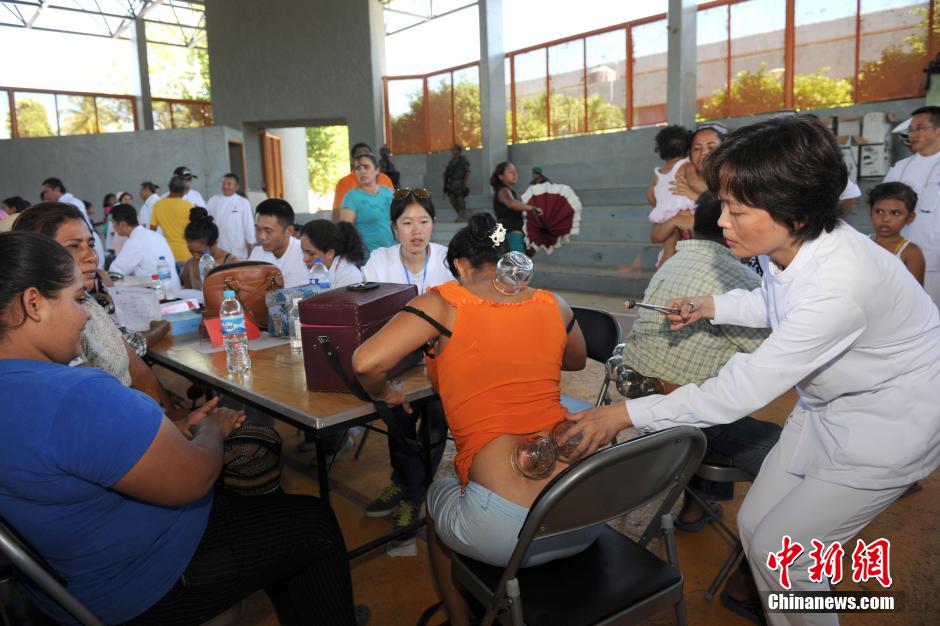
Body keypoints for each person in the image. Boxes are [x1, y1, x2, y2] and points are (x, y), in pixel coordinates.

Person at [564, 116, 940, 626]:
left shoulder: (841, 283)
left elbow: (736, 392)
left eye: (737, 212)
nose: (722, 222)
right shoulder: (791, 247)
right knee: (759, 527)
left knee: (789, 552)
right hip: (826, 408)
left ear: (798, 213)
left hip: (889, 423)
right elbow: (776, 301)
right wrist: (712, 305)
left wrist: (626, 414)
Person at [0, 231, 362, 626]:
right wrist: (212, 429)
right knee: (313, 522)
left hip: (67, 588)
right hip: (143, 582)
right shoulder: (73, 395)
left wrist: (170, 430)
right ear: (33, 304)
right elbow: (194, 478)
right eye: (75, 299)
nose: (86, 314)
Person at [353, 213, 602, 625]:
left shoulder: (445, 300)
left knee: (437, 502)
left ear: (462, 268)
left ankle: (459, 619)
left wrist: (385, 393)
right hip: (584, 511)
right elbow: (575, 360)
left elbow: (365, 362)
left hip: (509, 535)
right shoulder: (551, 302)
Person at [618, 193, 780, 536]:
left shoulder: (673, 262)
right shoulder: (740, 279)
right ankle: (751, 551)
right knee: (793, 458)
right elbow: (770, 354)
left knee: (713, 380)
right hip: (678, 415)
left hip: (637, 392)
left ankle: (696, 505)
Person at [359, 189, 452, 534]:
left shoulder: (448, 260)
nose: (417, 231)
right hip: (396, 360)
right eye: (408, 222)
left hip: (441, 359)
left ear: (433, 224)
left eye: (424, 222)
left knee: (433, 420)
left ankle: (414, 493)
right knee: (395, 417)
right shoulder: (379, 260)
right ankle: (402, 480)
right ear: (394, 227)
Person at [13, 204, 170, 401]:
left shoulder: (88, 300)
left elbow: (136, 365)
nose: (93, 257)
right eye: (73, 246)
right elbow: (99, 397)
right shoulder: (53, 322)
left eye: (91, 244)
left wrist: (174, 419)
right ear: (39, 256)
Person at [883, 105, 940, 307]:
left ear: (938, 130)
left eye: (919, 128)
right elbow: (883, 204)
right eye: (911, 129)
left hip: (935, 256)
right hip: (900, 254)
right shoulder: (901, 167)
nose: (912, 134)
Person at [109, 204, 182, 295]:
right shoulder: (155, 235)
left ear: (122, 224)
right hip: (174, 291)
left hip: (159, 295)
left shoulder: (135, 241)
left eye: (113, 223)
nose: (113, 227)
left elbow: (115, 272)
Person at [648, 125, 695, 266]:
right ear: (688, 148)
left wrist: (661, 207)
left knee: (670, 244)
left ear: (660, 150)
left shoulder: (659, 173)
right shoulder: (686, 166)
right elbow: (697, 185)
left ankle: (663, 272)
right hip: (683, 211)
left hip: (664, 216)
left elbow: (650, 195)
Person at [338, 152, 396, 255]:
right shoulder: (351, 196)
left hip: (390, 252)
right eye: (358, 168)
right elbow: (346, 230)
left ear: (377, 169)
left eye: (366, 167)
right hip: (365, 255)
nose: (362, 171)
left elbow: (399, 221)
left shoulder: (388, 193)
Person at [40, 177, 105, 266]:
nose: (45, 196)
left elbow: (80, 231)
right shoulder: (63, 203)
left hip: (85, 243)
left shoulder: (72, 203)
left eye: (47, 192)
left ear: (57, 189)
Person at [249, 198, 308, 288]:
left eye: (268, 231)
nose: (261, 236)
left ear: (289, 231)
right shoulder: (257, 253)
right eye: (258, 229)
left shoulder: (304, 254)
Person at [332, 142, 395, 220]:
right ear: (353, 160)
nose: (363, 156)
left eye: (366, 153)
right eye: (359, 154)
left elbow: (395, 209)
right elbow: (337, 211)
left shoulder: (385, 179)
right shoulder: (344, 183)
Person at [181, 207, 239, 290]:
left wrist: (218, 279)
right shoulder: (188, 266)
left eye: (200, 252)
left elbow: (239, 296)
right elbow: (188, 296)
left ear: (214, 244)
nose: (196, 256)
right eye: (191, 251)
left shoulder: (232, 263)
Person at [490, 162, 541, 253]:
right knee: (518, 266)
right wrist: (532, 208)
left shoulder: (509, 191)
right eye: (510, 172)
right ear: (501, 176)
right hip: (511, 235)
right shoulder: (503, 189)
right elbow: (511, 203)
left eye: (515, 172)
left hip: (513, 235)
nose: (514, 174)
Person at [299, 220, 365, 288]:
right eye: (302, 251)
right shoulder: (311, 269)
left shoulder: (349, 277)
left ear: (330, 253)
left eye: (311, 254)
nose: (305, 259)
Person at [150, 176, 195, 272]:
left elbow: (152, 230)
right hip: (187, 254)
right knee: (187, 286)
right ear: (183, 191)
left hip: (166, 254)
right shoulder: (189, 206)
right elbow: (196, 231)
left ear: (169, 188)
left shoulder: (157, 205)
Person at [205, 173, 254, 259]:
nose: (225, 186)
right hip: (218, 248)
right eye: (223, 183)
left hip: (238, 251)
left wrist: (251, 248)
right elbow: (207, 223)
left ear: (236, 187)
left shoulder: (243, 202)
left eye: (229, 184)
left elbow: (248, 226)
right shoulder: (213, 200)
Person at [443, 144, 471, 221]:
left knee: (460, 200)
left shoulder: (463, 160)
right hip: (451, 183)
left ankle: (461, 216)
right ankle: (459, 215)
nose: (453, 152)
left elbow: (467, 172)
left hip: (460, 182)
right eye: (452, 150)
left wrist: (465, 184)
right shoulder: (452, 161)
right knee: (452, 200)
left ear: (459, 151)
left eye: (455, 150)